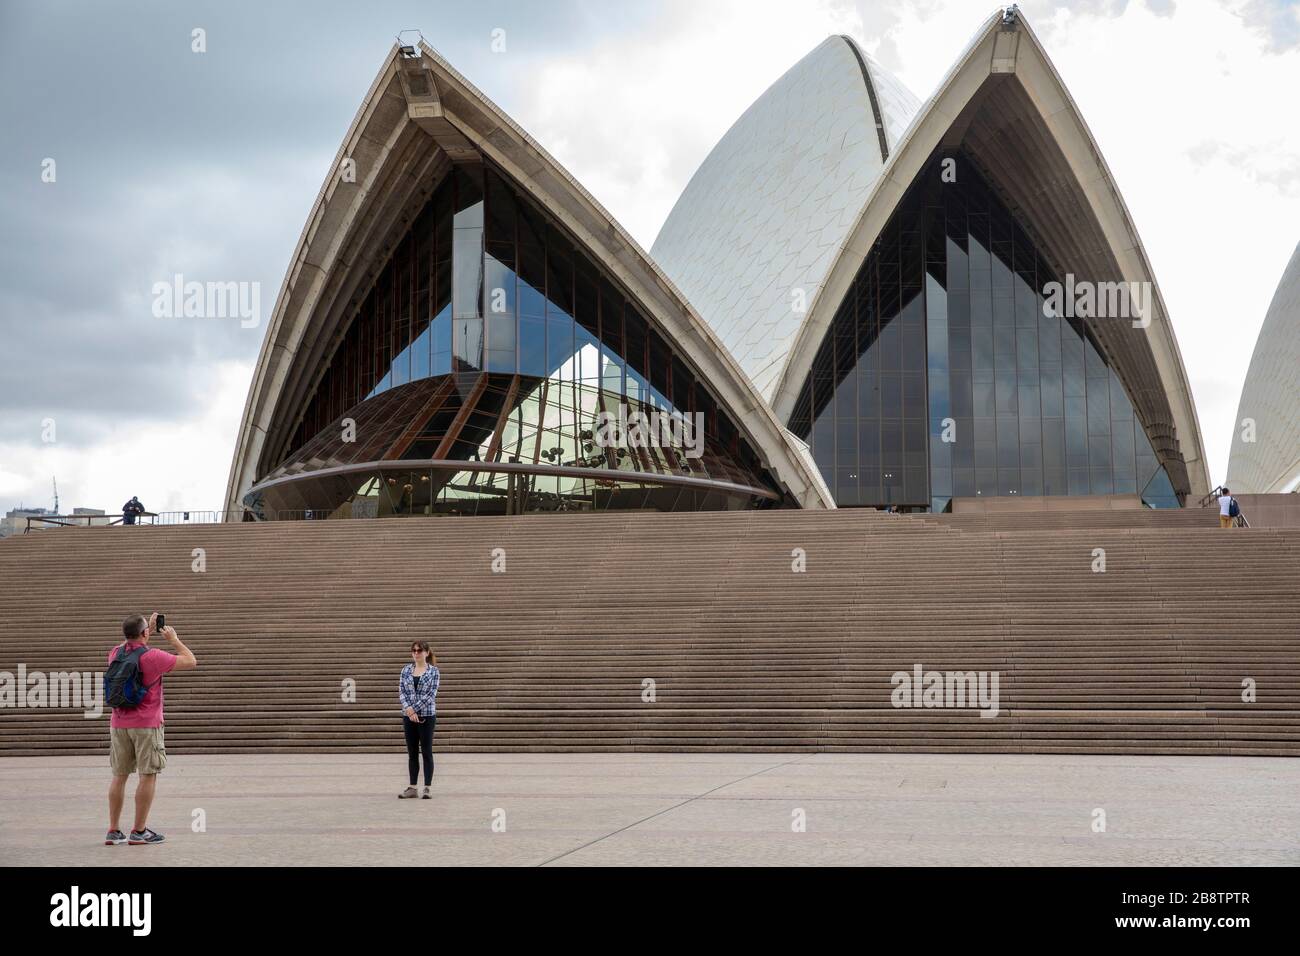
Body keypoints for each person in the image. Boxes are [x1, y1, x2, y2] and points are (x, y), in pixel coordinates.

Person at [104, 612, 197, 845]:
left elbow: (135, 651)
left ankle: (114, 831)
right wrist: (173, 639)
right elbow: (190, 660)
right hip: (146, 724)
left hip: (118, 724)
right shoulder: (154, 657)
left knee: (119, 776)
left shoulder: (115, 653)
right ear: (145, 633)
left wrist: (146, 630)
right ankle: (139, 830)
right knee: (148, 774)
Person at [398, 641, 440, 799]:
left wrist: (413, 709)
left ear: (427, 653)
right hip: (408, 716)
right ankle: (412, 787)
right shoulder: (406, 670)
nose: (416, 653)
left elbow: (431, 695)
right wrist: (408, 709)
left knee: (427, 752)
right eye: (414, 650)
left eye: (419, 650)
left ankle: (427, 787)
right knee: (412, 752)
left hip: (427, 716)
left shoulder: (434, 672)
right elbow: (401, 691)